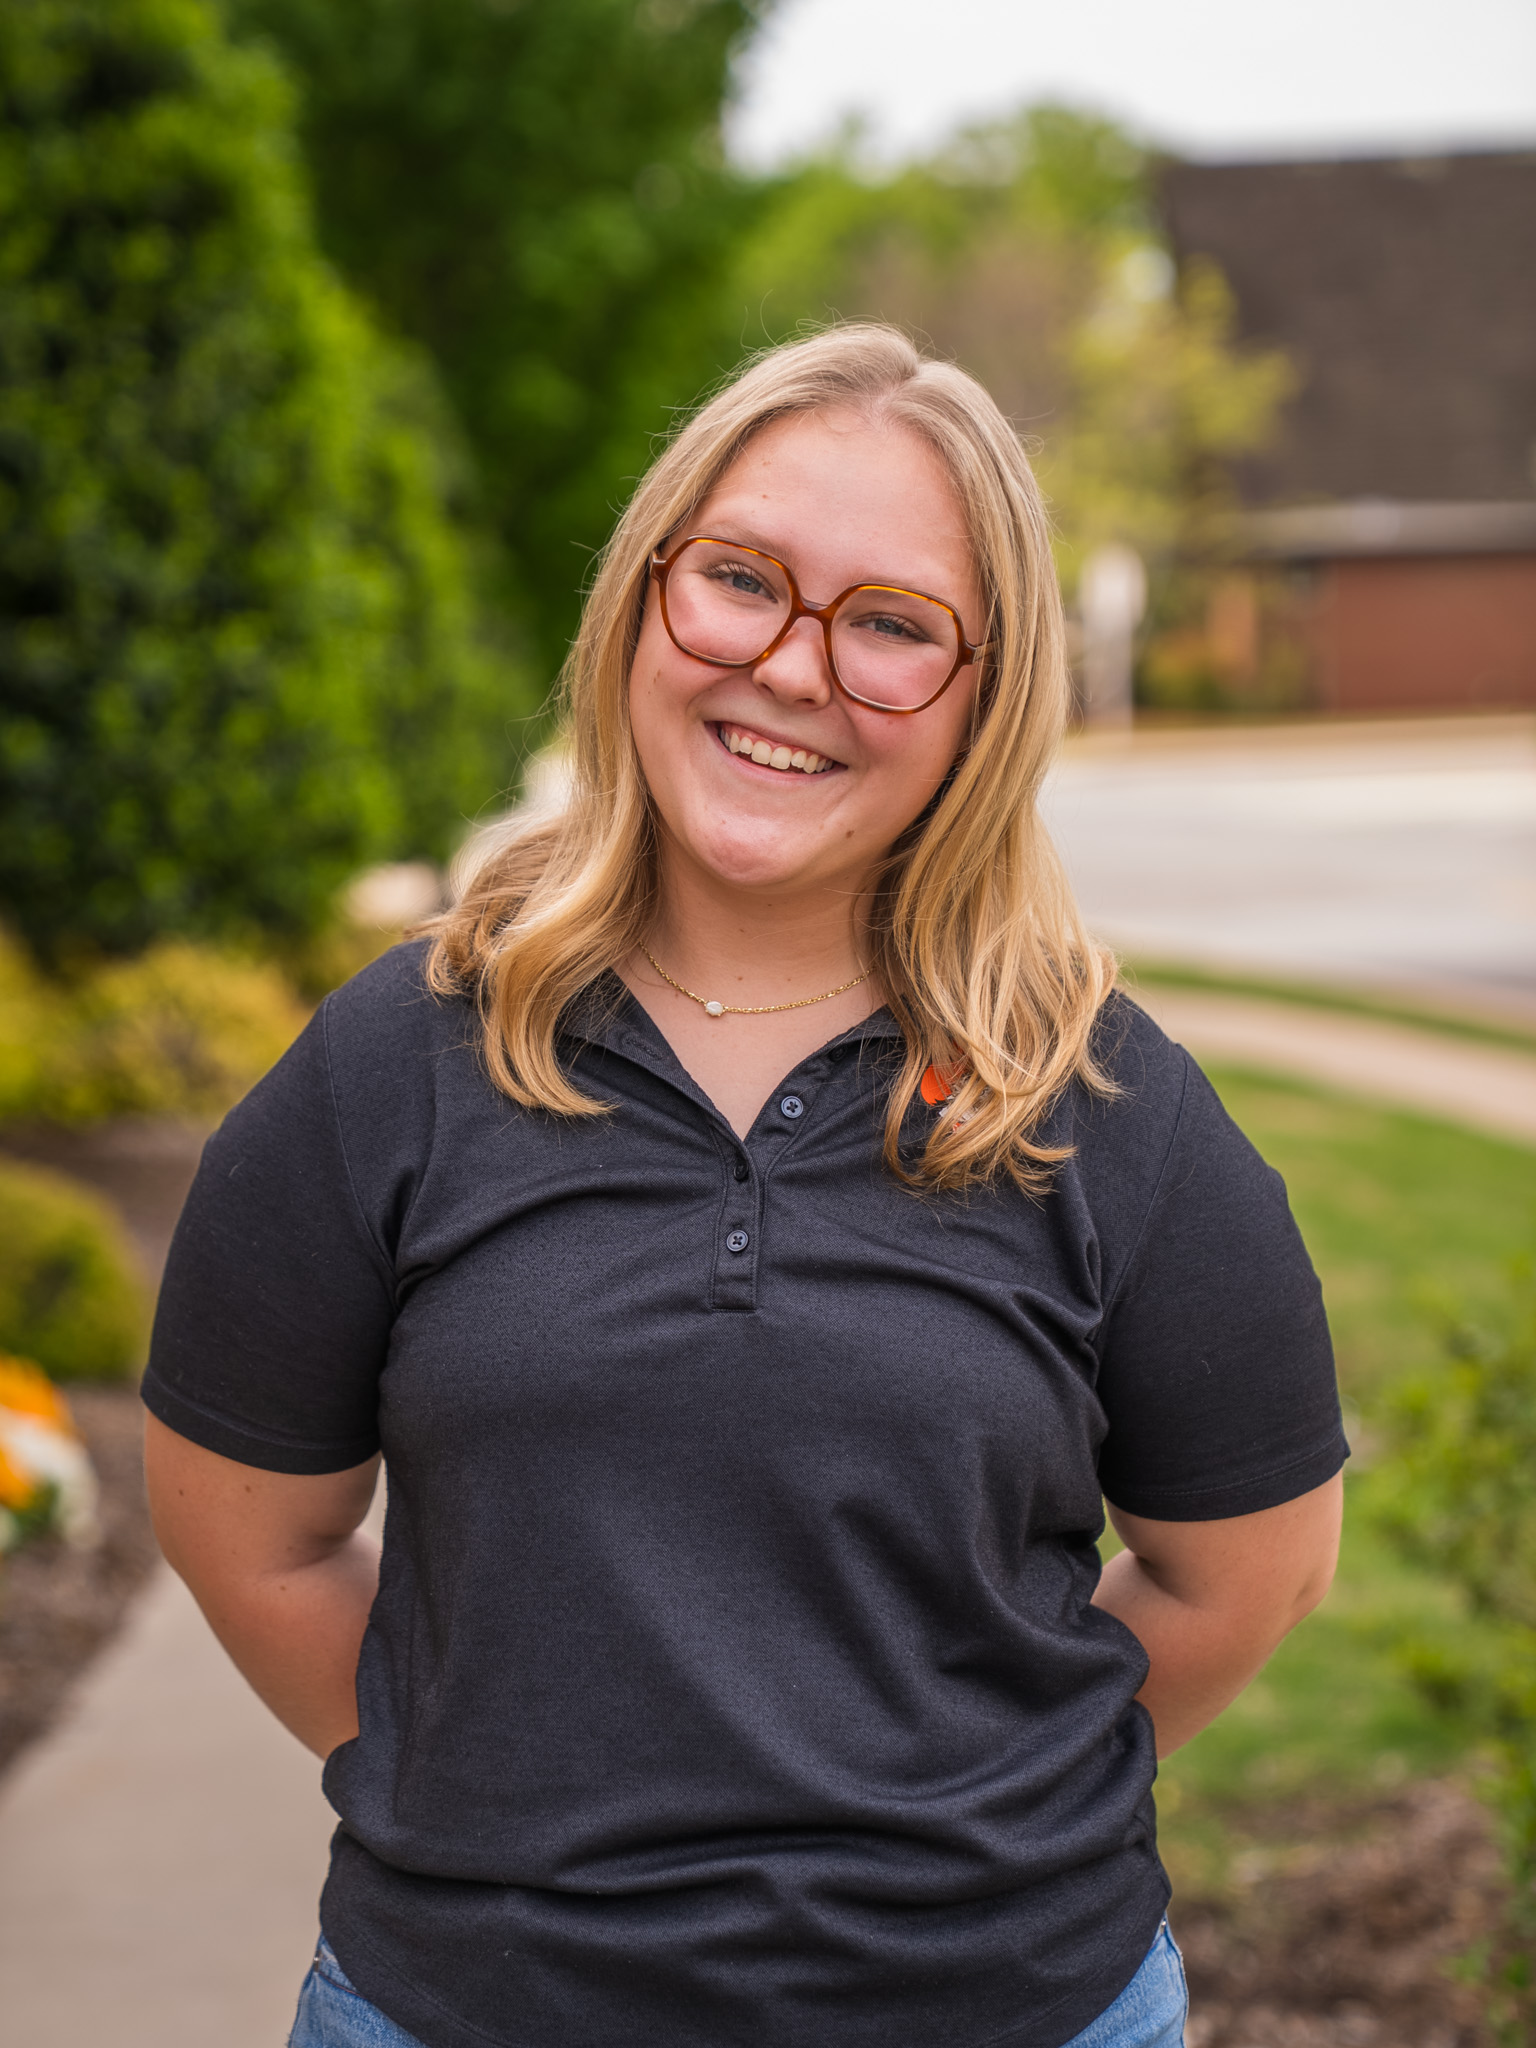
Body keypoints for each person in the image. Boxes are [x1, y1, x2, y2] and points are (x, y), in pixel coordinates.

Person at [143, 324, 1346, 2048]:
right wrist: (493, 1805)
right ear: (644, 597)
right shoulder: (397, 1059)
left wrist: (963, 1832)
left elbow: (1250, 1578)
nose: (792, 667)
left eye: (891, 626)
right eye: (741, 580)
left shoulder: (1105, 1100)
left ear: (985, 699)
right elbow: (245, 1535)